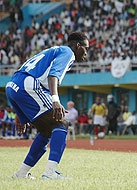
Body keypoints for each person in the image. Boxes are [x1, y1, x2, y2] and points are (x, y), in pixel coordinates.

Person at [6, 32, 89, 179]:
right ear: (77, 46)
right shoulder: (68, 52)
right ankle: (50, 173)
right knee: (61, 123)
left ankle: (21, 174)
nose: (86, 53)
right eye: (85, 48)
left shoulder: (53, 50)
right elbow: (53, 75)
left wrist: (20, 112)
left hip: (13, 85)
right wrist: (55, 100)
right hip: (28, 85)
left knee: (46, 131)